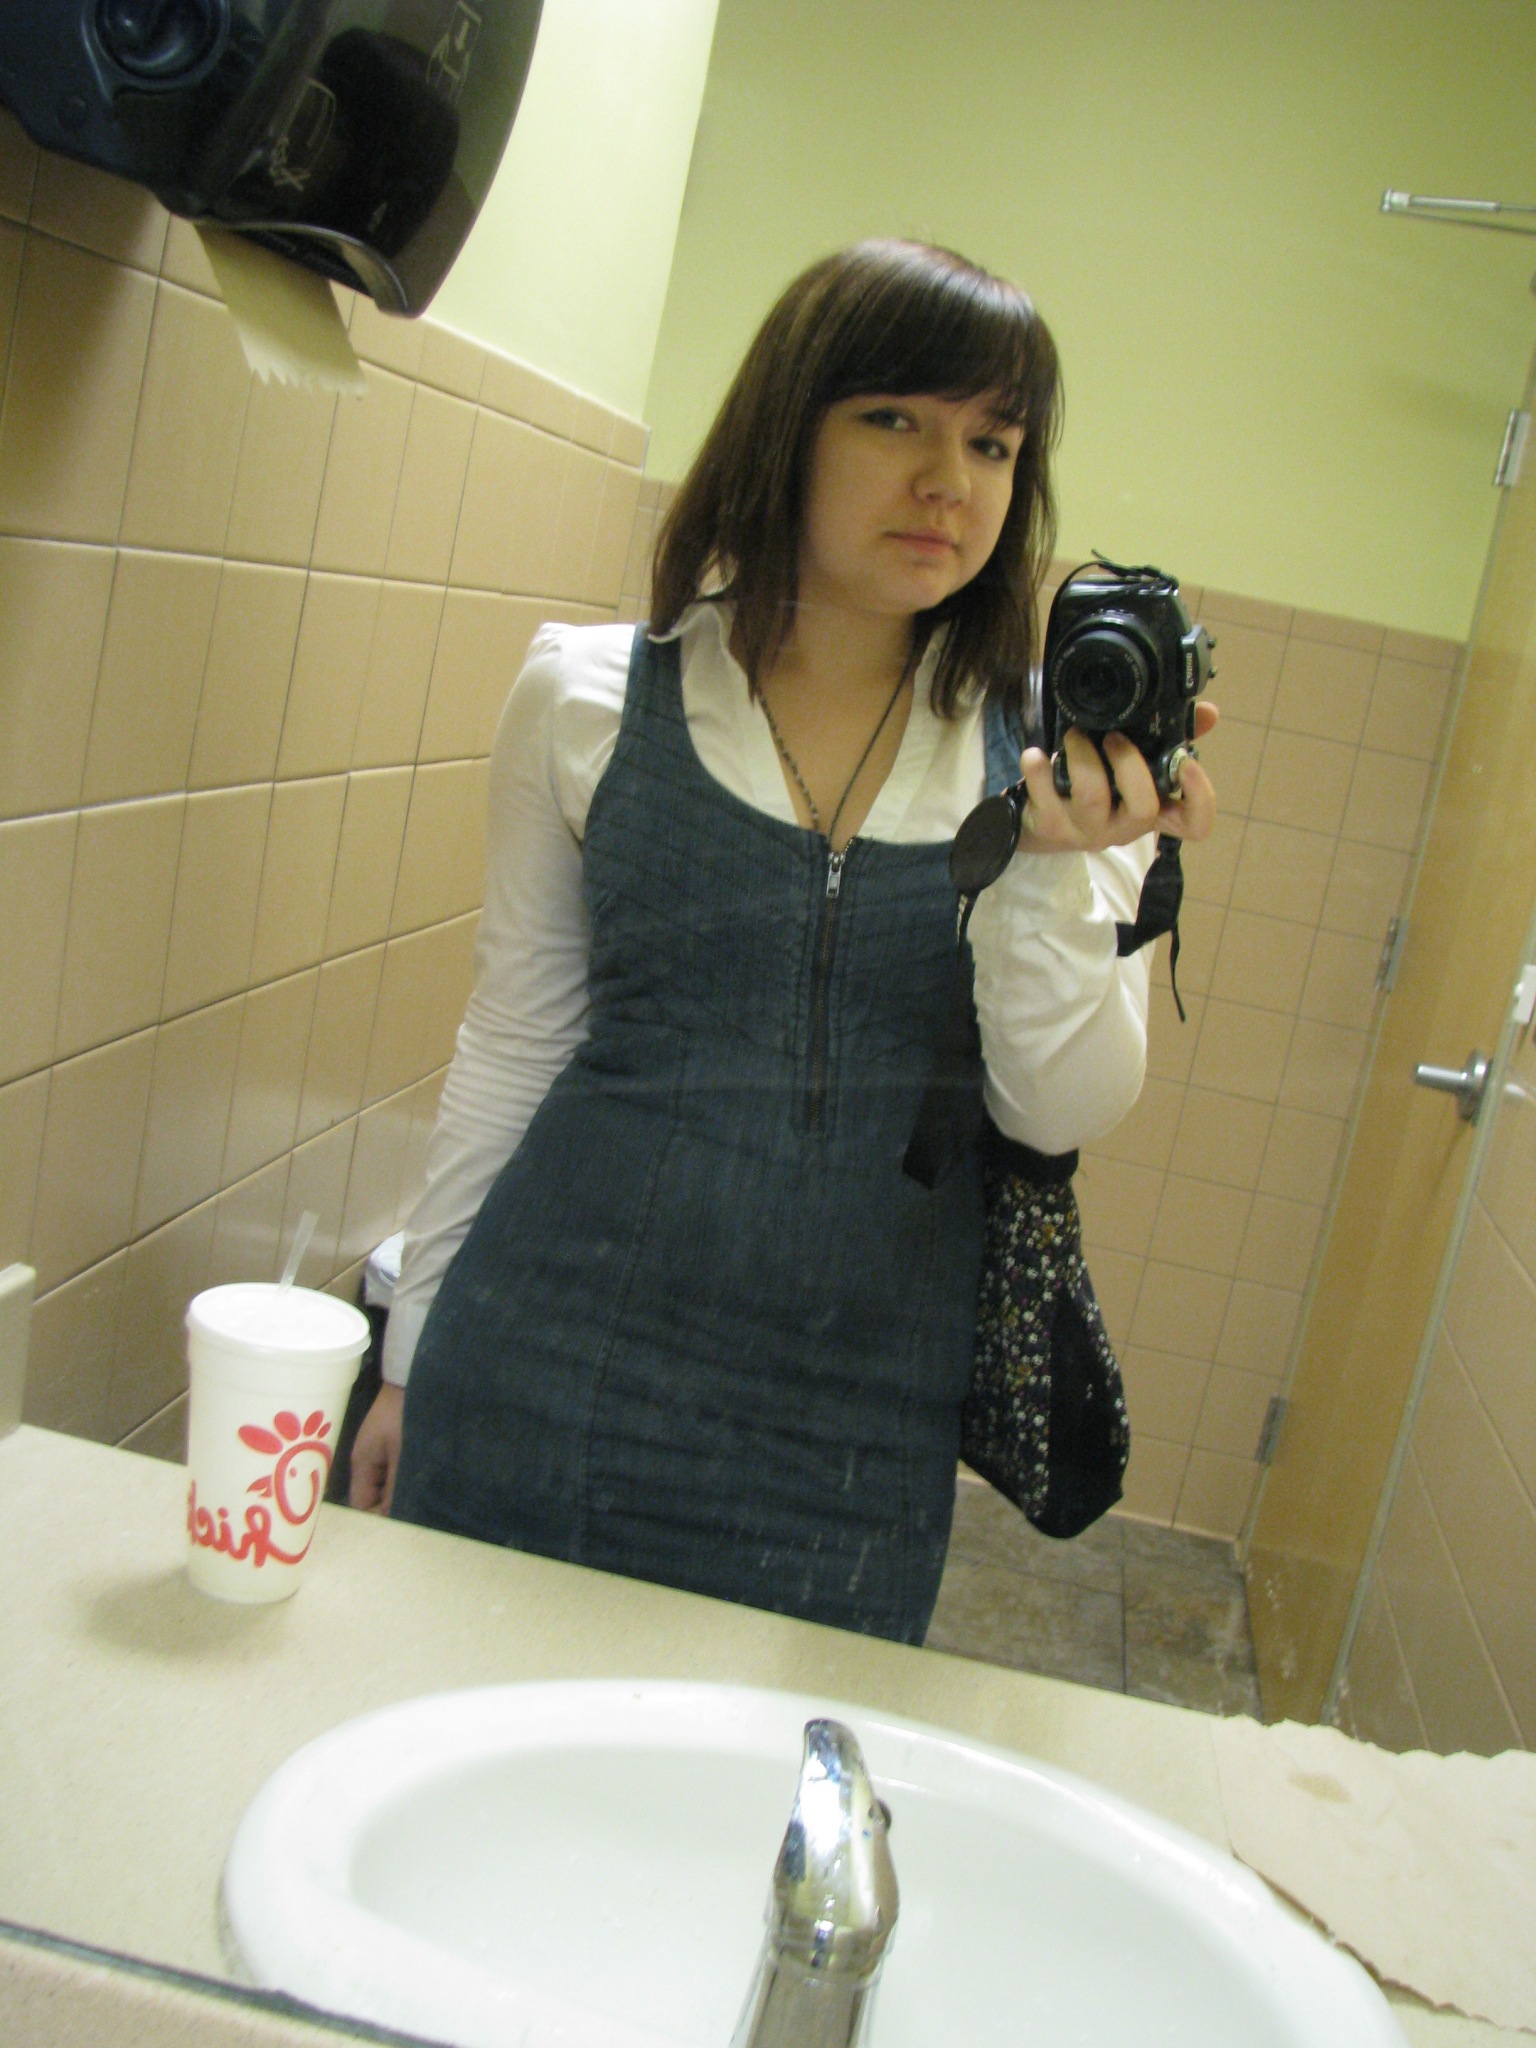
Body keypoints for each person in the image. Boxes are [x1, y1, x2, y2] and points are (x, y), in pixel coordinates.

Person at [348, 238, 1217, 1643]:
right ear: (785, 428)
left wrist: (1055, 876)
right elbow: (512, 1044)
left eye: (993, 443)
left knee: (774, 1782)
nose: (949, 481)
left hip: (852, 1437)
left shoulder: (1052, 759)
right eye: (895, 419)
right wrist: (411, 1357)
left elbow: (1057, 1111)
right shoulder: (586, 698)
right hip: (549, 1363)